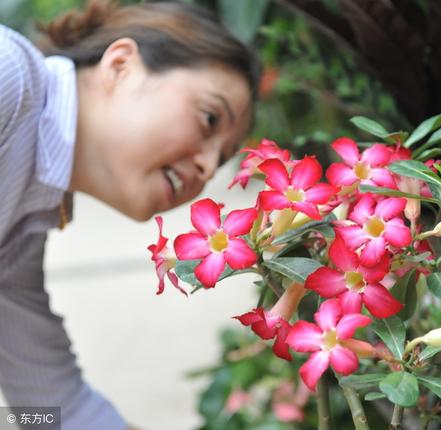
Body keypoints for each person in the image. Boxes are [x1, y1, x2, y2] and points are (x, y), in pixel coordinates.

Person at [0, 0, 260, 428]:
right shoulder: (11, 78)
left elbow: (51, 409)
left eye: (224, 157)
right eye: (209, 118)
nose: (209, 168)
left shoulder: (18, 234)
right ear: (121, 65)